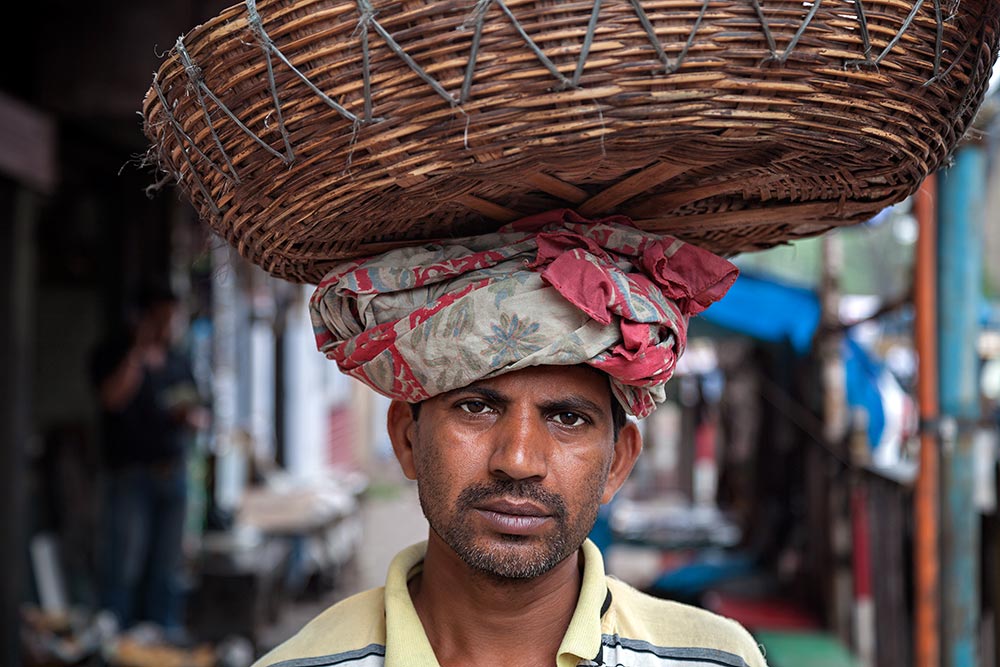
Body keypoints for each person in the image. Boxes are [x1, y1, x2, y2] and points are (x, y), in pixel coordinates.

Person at [254, 210, 768, 667]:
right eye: (476, 408)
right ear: (407, 439)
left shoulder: (716, 658)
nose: (519, 460)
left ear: (618, 463)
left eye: (567, 418)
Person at [90, 283, 208, 638]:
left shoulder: (178, 359)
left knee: (168, 566)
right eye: (159, 318)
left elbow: (201, 411)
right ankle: (115, 639)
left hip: (172, 472)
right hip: (131, 476)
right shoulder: (115, 353)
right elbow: (112, 400)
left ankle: (162, 639)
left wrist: (188, 416)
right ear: (140, 318)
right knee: (124, 564)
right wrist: (138, 353)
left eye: (171, 319)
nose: (166, 327)